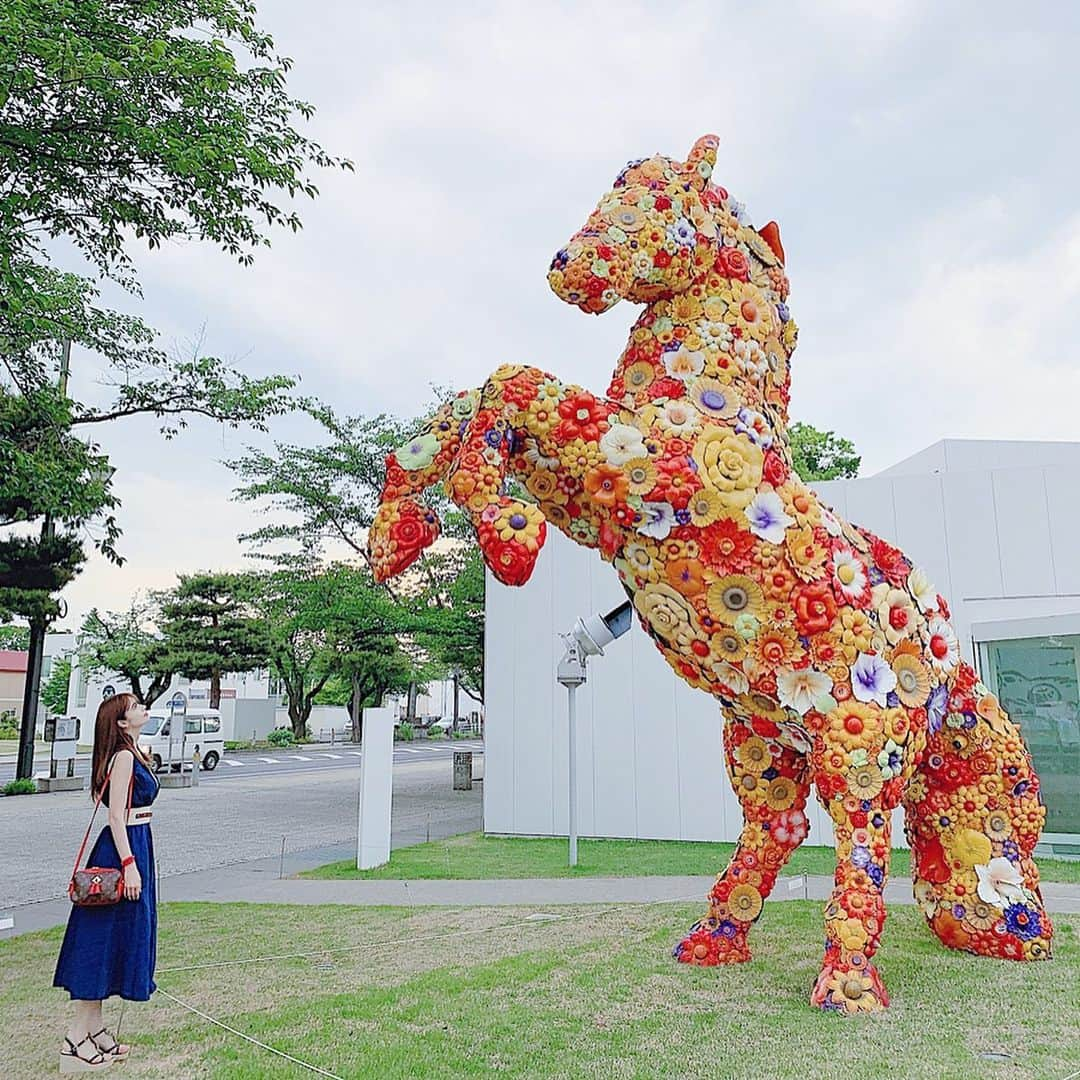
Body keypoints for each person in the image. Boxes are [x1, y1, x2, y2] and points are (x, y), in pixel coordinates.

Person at [54, 693, 159, 1072]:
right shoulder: (125, 757)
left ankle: (95, 1030)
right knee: (99, 942)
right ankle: (76, 1037)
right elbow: (116, 816)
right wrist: (130, 864)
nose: (141, 708)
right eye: (133, 706)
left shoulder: (132, 750)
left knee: (113, 939)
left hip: (135, 844)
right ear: (120, 721)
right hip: (122, 851)